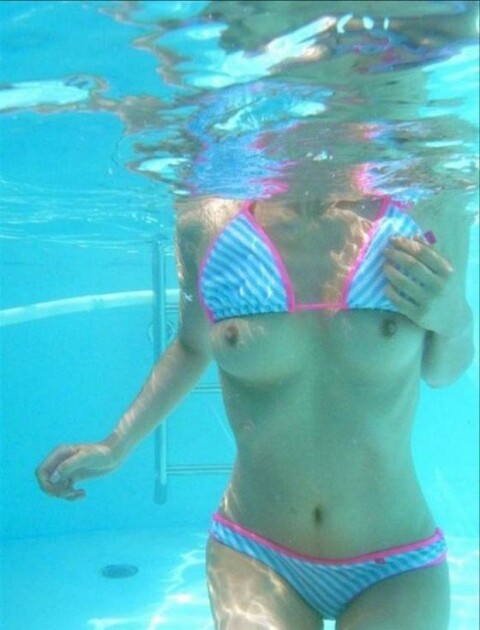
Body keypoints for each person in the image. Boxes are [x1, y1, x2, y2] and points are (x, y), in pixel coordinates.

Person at [36, 189, 474, 629]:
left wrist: (453, 317)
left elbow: (441, 371)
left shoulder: (431, 205)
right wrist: (115, 445)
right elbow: (191, 347)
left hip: (395, 565)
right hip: (255, 553)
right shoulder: (207, 220)